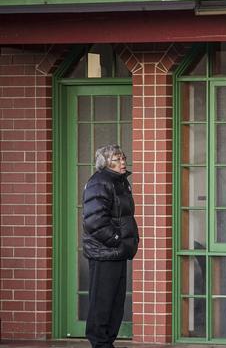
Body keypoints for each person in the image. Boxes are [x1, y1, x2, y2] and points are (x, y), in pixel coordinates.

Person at [82, 144, 139, 348]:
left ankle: (107, 343)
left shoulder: (119, 183)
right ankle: (100, 343)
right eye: (117, 158)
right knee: (102, 303)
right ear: (105, 163)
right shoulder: (99, 183)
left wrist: (124, 245)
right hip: (104, 253)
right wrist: (117, 239)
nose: (123, 161)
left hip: (118, 252)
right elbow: (94, 221)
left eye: (123, 157)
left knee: (115, 304)